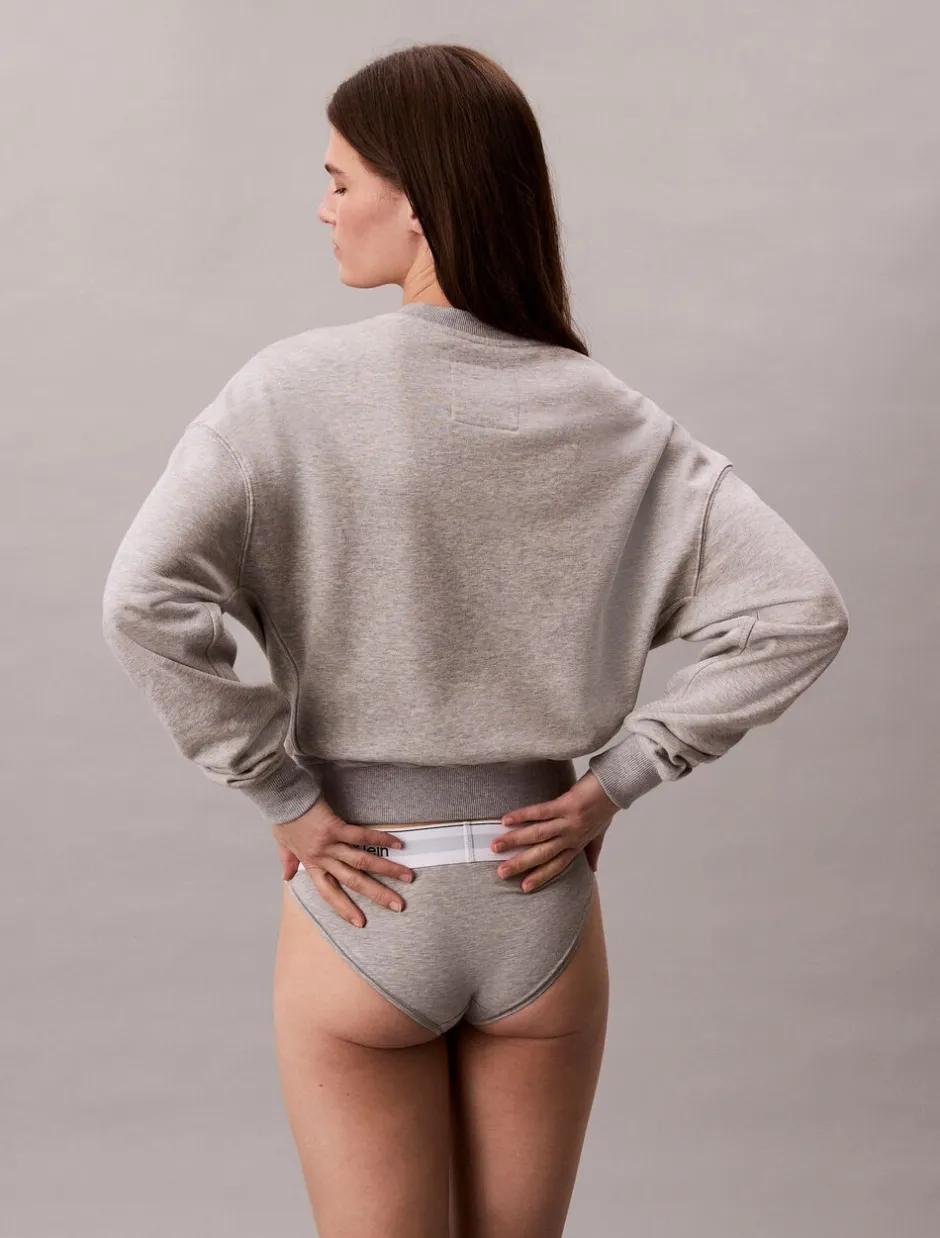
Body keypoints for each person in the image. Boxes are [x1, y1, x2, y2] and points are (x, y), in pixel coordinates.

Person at [100, 41, 850, 1238]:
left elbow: (142, 599)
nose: (323, 206)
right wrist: (617, 779)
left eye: (340, 178)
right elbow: (802, 609)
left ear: (418, 197)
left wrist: (281, 794)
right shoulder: (609, 413)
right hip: (536, 897)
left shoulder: (285, 392)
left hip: (364, 896)